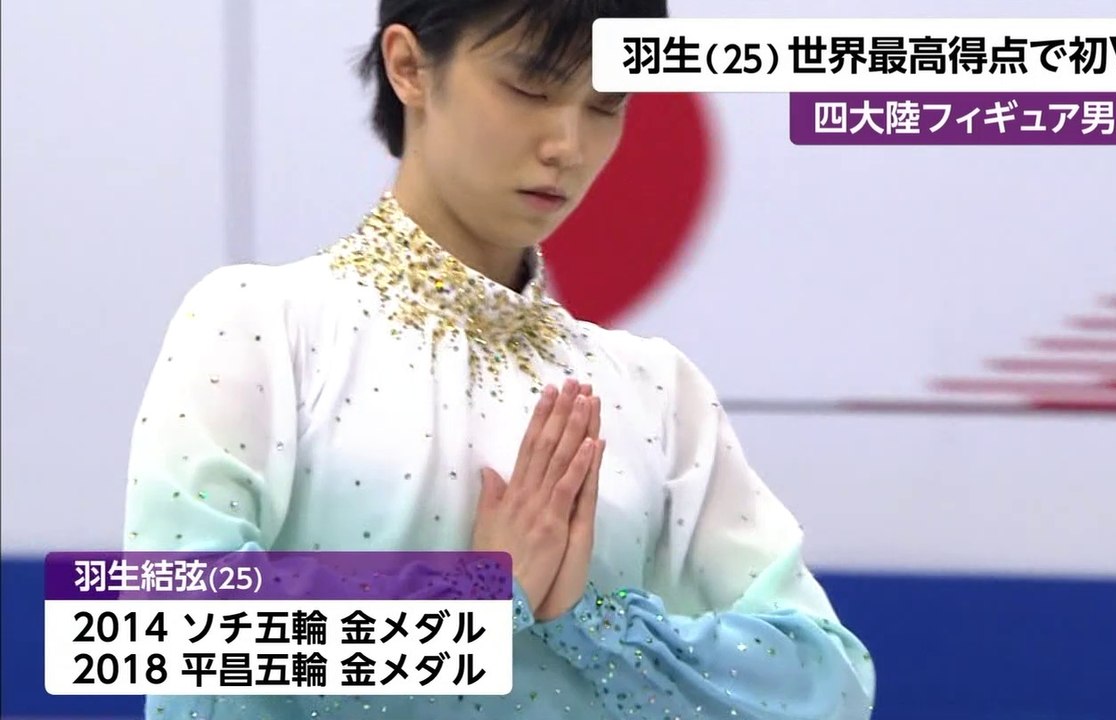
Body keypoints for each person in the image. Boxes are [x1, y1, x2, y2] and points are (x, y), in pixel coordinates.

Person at [122, 0, 877, 717]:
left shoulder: (656, 391)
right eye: (529, 88)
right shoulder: (259, 324)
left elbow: (828, 683)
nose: (567, 145)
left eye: (605, 105)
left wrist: (583, 623)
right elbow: (181, 640)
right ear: (409, 66)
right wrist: (474, 606)